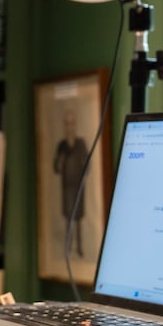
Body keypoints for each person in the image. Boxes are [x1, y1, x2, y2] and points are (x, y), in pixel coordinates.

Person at [52, 105, 90, 258]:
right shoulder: (61, 146)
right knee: (69, 218)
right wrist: (61, 160)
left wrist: (83, 172)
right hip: (67, 188)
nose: (70, 127)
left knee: (79, 218)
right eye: (67, 124)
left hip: (78, 186)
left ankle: (79, 247)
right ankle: (68, 247)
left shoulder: (81, 144)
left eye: (72, 123)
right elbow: (56, 168)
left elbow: (88, 164)